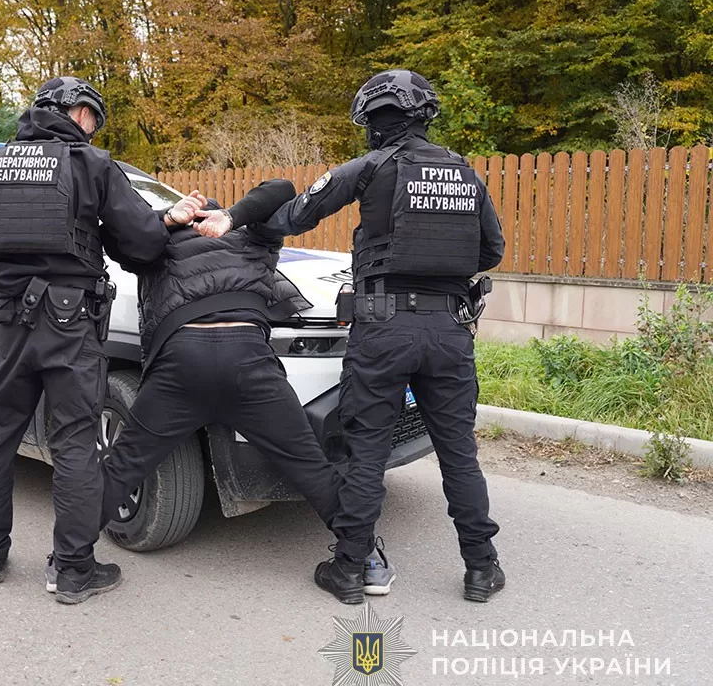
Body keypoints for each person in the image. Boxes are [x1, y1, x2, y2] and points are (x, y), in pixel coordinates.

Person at [243, 69, 506, 603]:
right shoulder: (464, 173)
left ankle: (348, 570)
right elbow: (491, 251)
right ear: (424, 115)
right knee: (459, 453)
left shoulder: (368, 167)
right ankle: (481, 568)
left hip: (383, 327)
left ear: (372, 123)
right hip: (450, 329)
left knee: (366, 452)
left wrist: (250, 224)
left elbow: (296, 216)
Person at [0, 76, 175, 604]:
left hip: (5, 323)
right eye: (92, 119)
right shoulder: (90, 165)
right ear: (75, 112)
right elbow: (143, 244)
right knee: (75, 442)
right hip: (70, 327)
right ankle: (73, 571)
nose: (93, 130)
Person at [100, 180, 352, 591]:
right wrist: (234, 217)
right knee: (309, 465)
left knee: (125, 463)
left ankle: (68, 561)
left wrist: (165, 219)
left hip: (181, 361)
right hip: (248, 359)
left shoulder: (156, 246)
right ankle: (362, 561)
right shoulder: (253, 235)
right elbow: (282, 188)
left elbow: (115, 235)